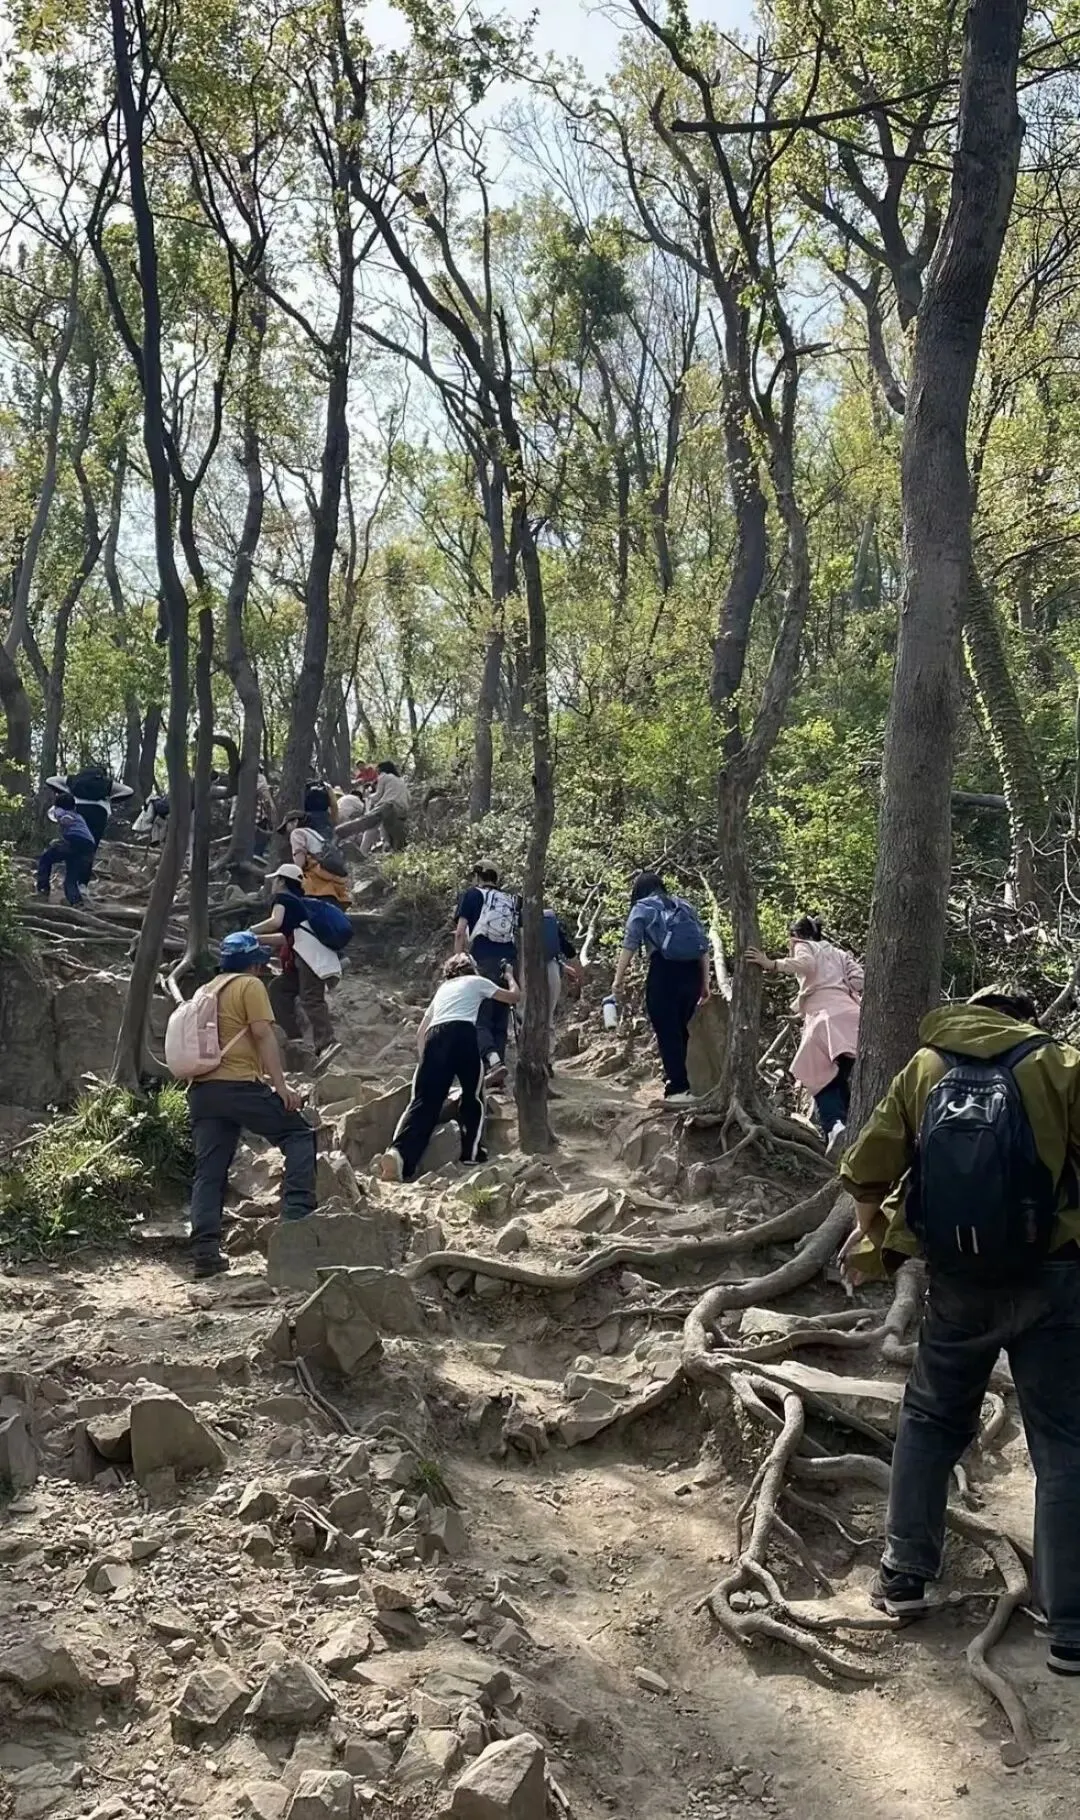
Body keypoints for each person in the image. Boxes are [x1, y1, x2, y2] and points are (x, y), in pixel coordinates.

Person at [839, 987, 1080, 1670]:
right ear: (1023, 1019)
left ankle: (904, 1577)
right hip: (1053, 1278)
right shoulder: (1059, 1063)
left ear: (972, 1012)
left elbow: (866, 1170)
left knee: (930, 1420)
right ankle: (1070, 1627)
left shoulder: (925, 1066)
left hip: (956, 1282)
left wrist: (872, 1238)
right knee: (1063, 1441)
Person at [185, 930, 317, 1279]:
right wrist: (282, 1088)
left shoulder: (206, 989)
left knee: (210, 1172)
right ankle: (297, 1219)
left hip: (202, 1091)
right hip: (238, 1085)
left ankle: (205, 1253)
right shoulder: (249, 985)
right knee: (299, 1134)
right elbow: (262, 1034)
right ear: (254, 963)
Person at [379, 954, 520, 1183]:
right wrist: (510, 976)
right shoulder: (477, 981)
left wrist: (426, 1062)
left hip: (434, 1037)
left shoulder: (443, 989)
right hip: (463, 1032)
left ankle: (399, 1155)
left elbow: (420, 1032)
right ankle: (471, 1154)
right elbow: (514, 997)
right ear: (472, 968)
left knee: (423, 1102)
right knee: (473, 1095)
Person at [746, 913, 863, 1156]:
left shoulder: (803, 945)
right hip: (853, 1018)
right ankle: (848, 1130)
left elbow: (806, 964)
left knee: (818, 1077)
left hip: (825, 1020)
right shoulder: (839, 954)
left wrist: (771, 964)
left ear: (795, 935)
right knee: (838, 1076)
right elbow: (860, 980)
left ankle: (835, 1127)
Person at [612, 872, 711, 1105]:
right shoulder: (684, 905)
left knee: (667, 1031)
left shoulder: (642, 908)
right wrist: (705, 982)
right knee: (679, 1029)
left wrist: (618, 979)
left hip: (664, 971)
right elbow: (703, 946)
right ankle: (677, 1082)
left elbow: (629, 945)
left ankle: (678, 1089)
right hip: (692, 973)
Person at [253, 864, 345, 1063]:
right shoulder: (298, 904)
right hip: (305, 956)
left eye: (275, 880)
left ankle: (327, 1042)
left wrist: (250, 931)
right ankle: (293, 1037)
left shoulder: (283, 898)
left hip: (308, 956)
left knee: (311, 997)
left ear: (281, 881)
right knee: (280, 989)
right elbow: (285, 937)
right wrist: (257, 939)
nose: (273, 884)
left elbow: (275, 922)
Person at [453, 862, 521, 1084]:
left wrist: (457, 960)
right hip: (509, 962)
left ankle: (493, 1063)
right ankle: (496, 1078)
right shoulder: (511, 900)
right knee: (499, 1021)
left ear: (478, 876)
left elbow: (460, 932)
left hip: (483, 961)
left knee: (479, 1018)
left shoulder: (472, 895)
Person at [36, 792, 97, 907]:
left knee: (45, 858)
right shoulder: (79, 817)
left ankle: (43, 890)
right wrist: (60, 841)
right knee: (71, 877)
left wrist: (62, 817)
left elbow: (66, 820)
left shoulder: (62, 812)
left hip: (74, 842)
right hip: (88, 847)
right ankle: (77, 902)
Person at [279, 811, 351, 907]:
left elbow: (300, 856)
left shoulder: (296, 833)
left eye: (286, 826)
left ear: (295, 822)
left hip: (316, 878)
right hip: (329, 878)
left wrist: (296, 874)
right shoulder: (313, 833)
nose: (286, 831)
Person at [337, 761, 410, 854]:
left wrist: (368, 796)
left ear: (382, 769)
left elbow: (377, 796)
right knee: (381, 826)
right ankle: (384, 846)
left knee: (366, 822)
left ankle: (340, 832)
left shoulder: (384, 776)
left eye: (377, 770)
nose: (377, 772)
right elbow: (407, 797)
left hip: (389, 805)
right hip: (402, 811)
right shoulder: (401, 781)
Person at [544, 908, 581, 1039]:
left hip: (525, 969)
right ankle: (548, 1043)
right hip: (550, 967)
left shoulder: (517, 920)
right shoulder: (549, 919)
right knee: (548, 1017)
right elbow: (568, 950)